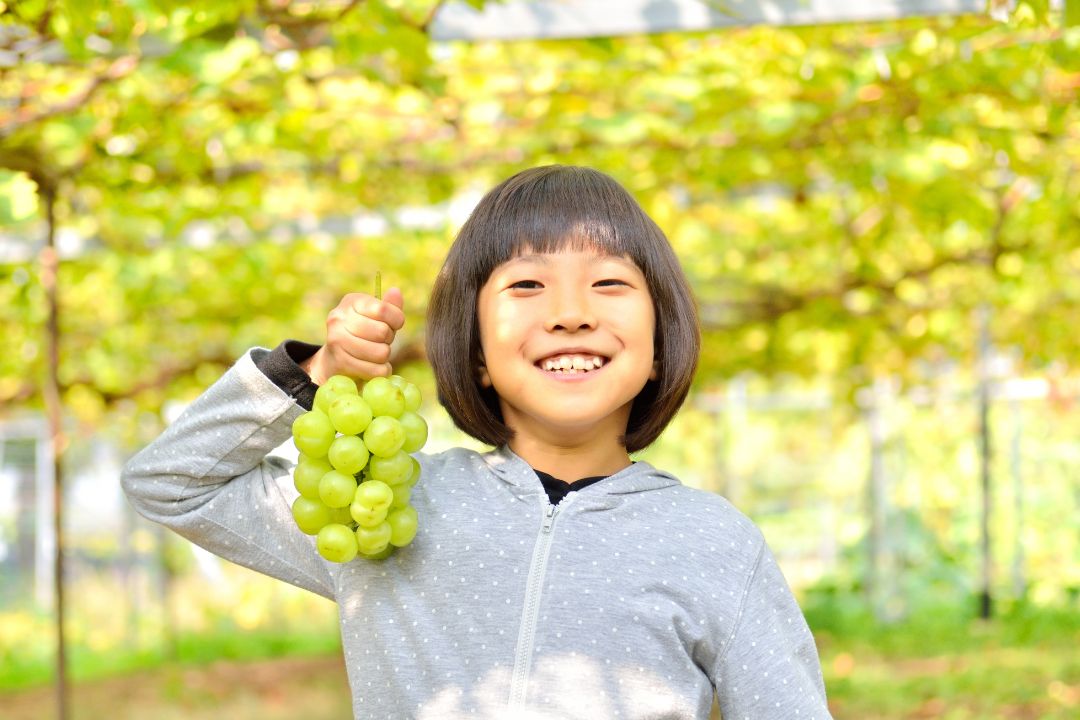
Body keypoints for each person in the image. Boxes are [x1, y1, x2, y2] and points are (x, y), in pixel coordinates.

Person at [122, 165, 832, 719]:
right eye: (527, 284)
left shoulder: (714, 542)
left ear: (657, 348)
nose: (570, 314)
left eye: (609, 282)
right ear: (477, 355)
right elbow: (169, 481)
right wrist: (314, 373)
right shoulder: (384, 501)